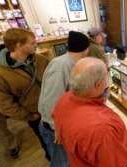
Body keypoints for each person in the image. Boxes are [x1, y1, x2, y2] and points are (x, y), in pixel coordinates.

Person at [52, 57, 127, 167]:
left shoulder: (63, 99)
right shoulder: (101, 128)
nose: (108, 79)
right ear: (97, 85)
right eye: (106, 76)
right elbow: (115, 163)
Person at [38, 31, 89, 166]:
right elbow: (51, 102)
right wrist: (57, 129)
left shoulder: (70, 63)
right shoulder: (61, 66)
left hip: (61, 124)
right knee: (61, 163)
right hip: (54, 129)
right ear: (85, 48)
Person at [0, 28, 50, 160]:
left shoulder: (41, 59)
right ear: (19, 45)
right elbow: (5, 104)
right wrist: (29, 116)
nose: (36, 45)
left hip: (52, 109)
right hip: (35, 115)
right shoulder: (1, 73)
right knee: (47, 143)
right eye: (32, 43)